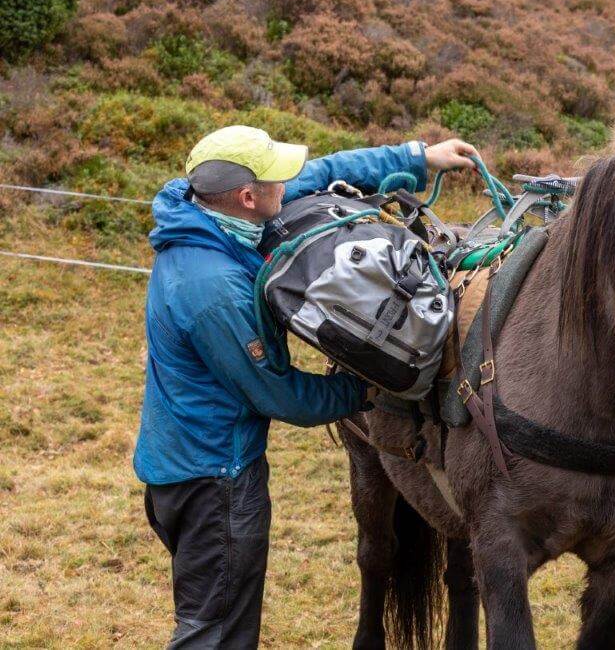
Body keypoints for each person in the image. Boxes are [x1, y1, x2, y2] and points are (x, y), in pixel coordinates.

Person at [133, 125, 479, 649]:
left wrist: (418, 156)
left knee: (212, 618)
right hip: (212, 483)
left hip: (179, 465)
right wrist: (367, 391)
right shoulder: (212, 289)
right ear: (250, 197)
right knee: (215, 632)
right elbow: (282, 396)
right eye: (279, 180)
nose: (291, 185)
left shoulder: (204, 212)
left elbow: (323, 173)